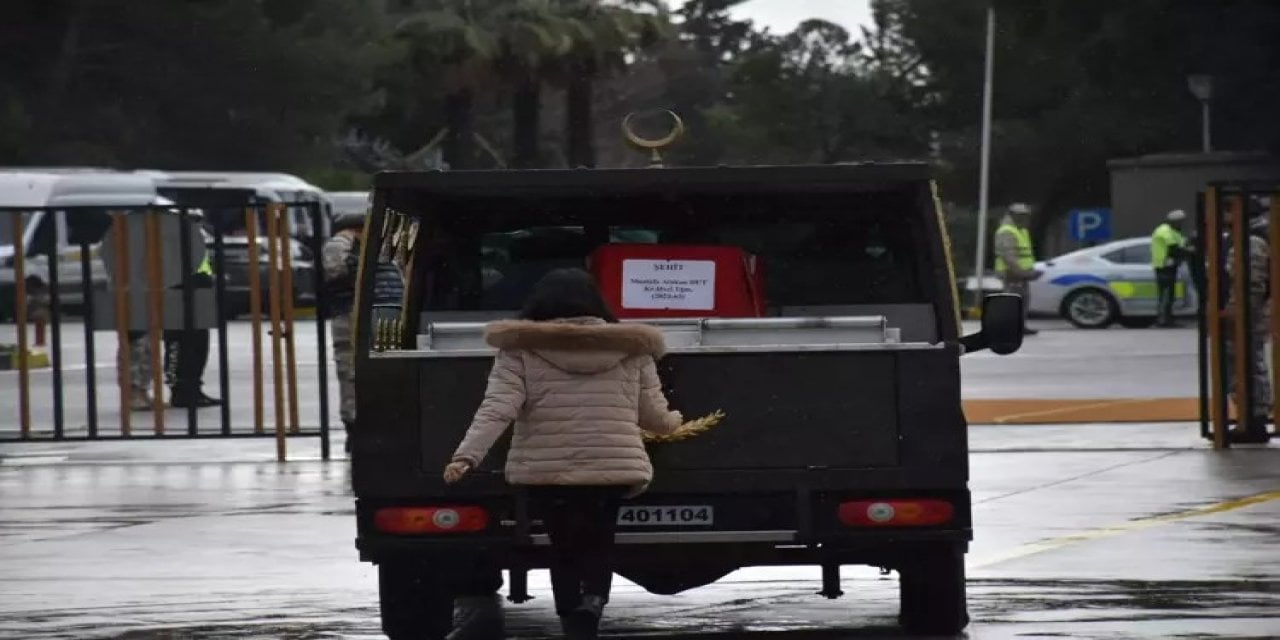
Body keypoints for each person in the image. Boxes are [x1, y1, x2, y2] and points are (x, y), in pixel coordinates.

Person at [442, 268, 683, 640]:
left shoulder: (519, 350)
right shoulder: (633, 348)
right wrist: (674, 423)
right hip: (613, 466)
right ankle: (594, 602)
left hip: (546, 470)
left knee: (564, 546)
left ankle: (572, 618)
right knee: (599, 540)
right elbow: (652, 414)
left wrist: (466, 457)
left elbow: (497, 409)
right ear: (595, 302)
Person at [322, 211, 404, 451]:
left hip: (378, 313)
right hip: (354, 314)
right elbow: (336, 269)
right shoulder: (343, 242)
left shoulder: (376, 244)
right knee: (352, 372)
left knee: (370, 371)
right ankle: (356, 427)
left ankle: (367, 426)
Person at [1223, 215, 1272, 444]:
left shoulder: (1249, 242)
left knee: (1247, 364)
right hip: (1246, 316)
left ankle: (1254, 419)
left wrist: (1237, 315)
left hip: (1246, 318)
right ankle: (1250, 416)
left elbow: (1251, 286)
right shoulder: (1243, 240)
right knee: (1244, 364)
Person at [164, 252, 221, 408]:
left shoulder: (195, 230)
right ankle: (180, 390)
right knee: (179, 339)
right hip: (178, 284)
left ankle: (193, 388)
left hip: (199, 284)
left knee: (199, 341)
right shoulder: (169, 230)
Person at [993, 203, 1042, 335]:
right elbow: (1009, 256)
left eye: (1026, 215)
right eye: (1021, 215)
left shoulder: (1021, 230)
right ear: (1012, 215)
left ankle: (1019, 326)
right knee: (1013, 301)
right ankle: (1010, 327)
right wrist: (1022, 273)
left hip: (1020, 273)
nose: (1025, 218)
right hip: (1011, 273)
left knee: (1022, 300)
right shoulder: (1007, 231)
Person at [1151, 209, 1191, 327]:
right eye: (1180, 222)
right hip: (1164, 266)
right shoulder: (1164, 231)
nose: (1182, 224)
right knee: (1166, 294)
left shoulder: (1174, 232)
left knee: (1168, 294)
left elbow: (1181, 245)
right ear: (1174, 221)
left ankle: (1166, 319)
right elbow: (1174, 249)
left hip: (1169, 266)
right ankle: (1164, 320)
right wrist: (1190, 252)